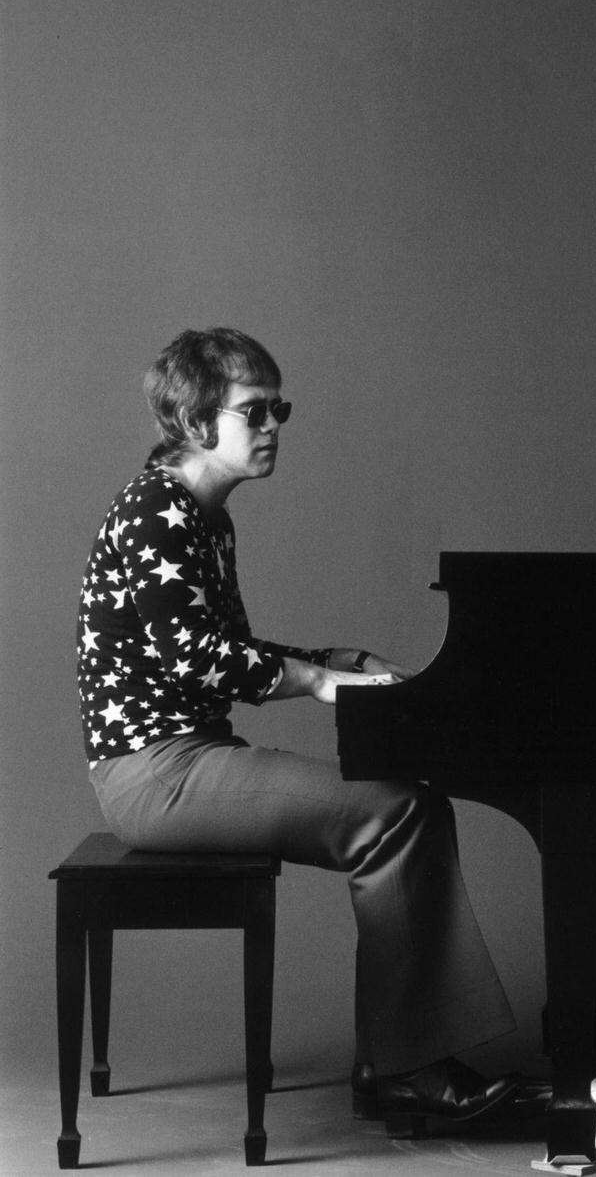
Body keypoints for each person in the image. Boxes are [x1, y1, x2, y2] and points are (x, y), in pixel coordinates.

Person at [76, 327, 519, 1127]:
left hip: (190, 760)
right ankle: (405, 1066)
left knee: (408, 806)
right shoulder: (158, 510)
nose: (275, 424)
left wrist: (328, 656)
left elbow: (224, 649)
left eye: (280, 407)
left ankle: (399, 1055)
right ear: (195, 418)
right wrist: (317, 681)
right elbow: (196, 662)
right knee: (399, 812)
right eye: (255, 410)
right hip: (155, 775)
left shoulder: (204, 515)